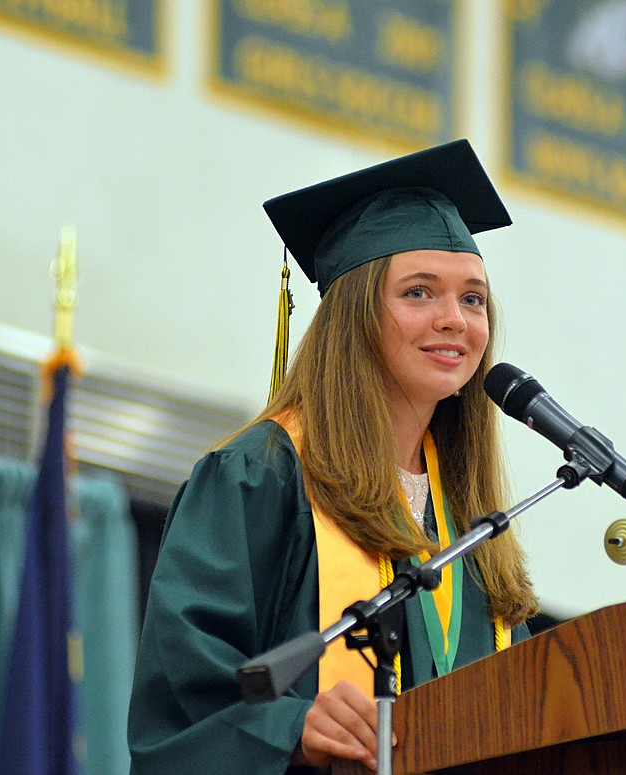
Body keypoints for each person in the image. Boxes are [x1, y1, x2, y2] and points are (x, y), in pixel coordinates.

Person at [127, 140, 539, 774]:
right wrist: (293, 726)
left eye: (473, 298)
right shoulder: (261, 474)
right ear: (354, 315)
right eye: (419, 293)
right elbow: (182, 699)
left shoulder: (474, 521)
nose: (455, 319)